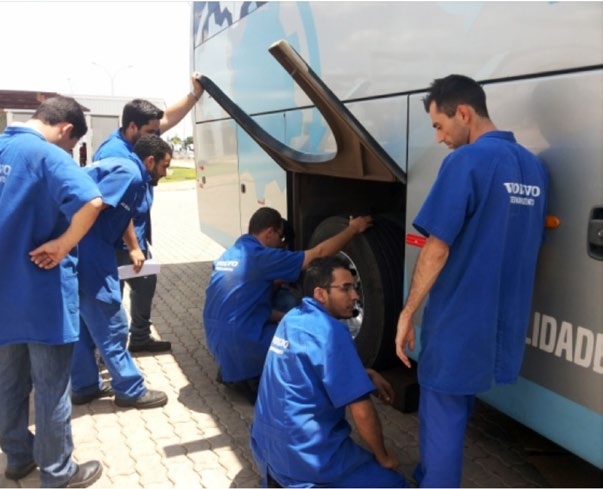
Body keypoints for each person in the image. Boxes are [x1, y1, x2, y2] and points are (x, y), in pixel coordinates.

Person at [395, 74, 548, 488]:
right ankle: (428, 475)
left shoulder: (464, 163)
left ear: (463, 113)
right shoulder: (533, 167)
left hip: (459, 317)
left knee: (442, 412)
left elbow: (436, 249)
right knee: (459, 403)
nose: (440, 138)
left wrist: (407, 313)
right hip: (504, 317)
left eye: (439, 126)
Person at [0, 96, 104, 487]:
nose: (68, 151)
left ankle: (17, 457)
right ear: (66, 130)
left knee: (8, 377)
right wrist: (62, 244)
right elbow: (93, 201)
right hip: (41, 293)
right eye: (71, 145)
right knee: (51, 384)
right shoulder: (47, 156)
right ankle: (58, 470)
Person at [251, 257, 408, 488]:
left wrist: (365, 374)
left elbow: (312, 367)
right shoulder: (332, 332)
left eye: (354, 287)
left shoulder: (292, 319)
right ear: (320, 294)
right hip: (304, 456)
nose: (355, 295)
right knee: (394, 482)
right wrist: (383, 457)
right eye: (345, 288)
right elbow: (362, 411)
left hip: (264, 447)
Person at [203, 207, 373, 400]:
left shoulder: (230, 254)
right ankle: (251, 375)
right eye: (281, 238)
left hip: (217, 341)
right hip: (239, 341)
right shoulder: (261, 257)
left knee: (284, 309)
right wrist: (353, 229)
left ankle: (235, 368)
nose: (282, 245)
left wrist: (286, 318)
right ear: (270, 233)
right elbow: (318, 253)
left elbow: (251, 308)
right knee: (295, 319)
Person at [93, 75, 204, 353]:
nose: (158, 135)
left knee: (145, 282)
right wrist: (132, 246)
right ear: (133, 127)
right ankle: (106, 353)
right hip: (118, 238)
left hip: (136, 235)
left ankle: (139, 338)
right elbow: (118, 206)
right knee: (111, 297)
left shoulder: (142, 143)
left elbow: (168, 119)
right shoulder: (116, 155)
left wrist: (194, 95)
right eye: (152, 131)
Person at [71, 134, 173, 409]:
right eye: (164, 166)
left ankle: (84, 385)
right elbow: (93, 205)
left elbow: (120, 212)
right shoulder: (131, 174)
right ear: (150, 160)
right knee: (111, 319)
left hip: (84, 249)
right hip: (90, 250)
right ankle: (129, 389)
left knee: (83, 322)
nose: (165, 173)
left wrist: (133, 246)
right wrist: (64, 242)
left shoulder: (123, 167)